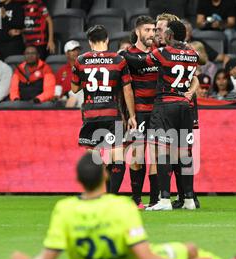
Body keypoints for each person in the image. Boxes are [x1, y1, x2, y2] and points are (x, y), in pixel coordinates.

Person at [11, 152, 236, 259]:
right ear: (106, 176)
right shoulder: (121, 208)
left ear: (78, 181)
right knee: (189, 249)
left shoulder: (63, 209)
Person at [120, 21, 200, 211]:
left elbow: (140, 61)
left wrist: (122, 54)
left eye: (165, 32)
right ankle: (188, 199)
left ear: (171, 34)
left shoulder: (163, 53)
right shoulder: (193, 54)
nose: (161, 35)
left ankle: (164, 199)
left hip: (166, 106)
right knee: (184, 154)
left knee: (162, 152)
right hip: (185, 107)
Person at [70, 25, 137, 194]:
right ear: (107, 40)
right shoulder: (118, 60)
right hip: (112, 113)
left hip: (90, 114)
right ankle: (111, 195)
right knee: (118, 156)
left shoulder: (81, 60)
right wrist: (132, 115)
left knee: (93, 157)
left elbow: (74, 89)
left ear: (90, 42)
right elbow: (127, 90)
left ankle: (94, 193)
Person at [120, 16, 160, 209]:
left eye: (153, 30)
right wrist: (127, 115)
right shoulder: (127, 55)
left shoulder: (160, 54)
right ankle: (136, 199)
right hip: (138, 112)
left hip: (158, 112)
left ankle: (154, 200)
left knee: (156, 155)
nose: (151, 34)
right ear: (137, 32)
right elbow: (123, 88)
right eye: (147, 30)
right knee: (136, 155)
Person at [54, 40, 83, 108]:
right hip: (65, 98)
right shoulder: (62, 70)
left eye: (78, 50)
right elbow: (58, 87)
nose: (76, 53)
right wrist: (57, 96)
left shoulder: (86, 68)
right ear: (67, 53)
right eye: (73, 50)